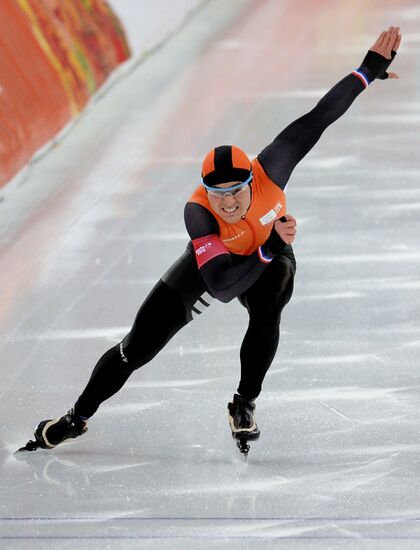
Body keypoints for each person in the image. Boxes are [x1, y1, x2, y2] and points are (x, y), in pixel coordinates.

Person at [19, 26, 402, 455]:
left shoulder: (274, 165)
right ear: (206, 192)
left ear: (252, 180)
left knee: (270, 299)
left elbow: (320, 117)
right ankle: (77, 417)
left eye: (237, 192)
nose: (230, 204)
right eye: (219, 196)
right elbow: (221, 287)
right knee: (135, 348)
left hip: (269, 255)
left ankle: (244, 403)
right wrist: (266, 246)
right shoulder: (197, 212)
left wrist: (367, 70)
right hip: (231, 261)